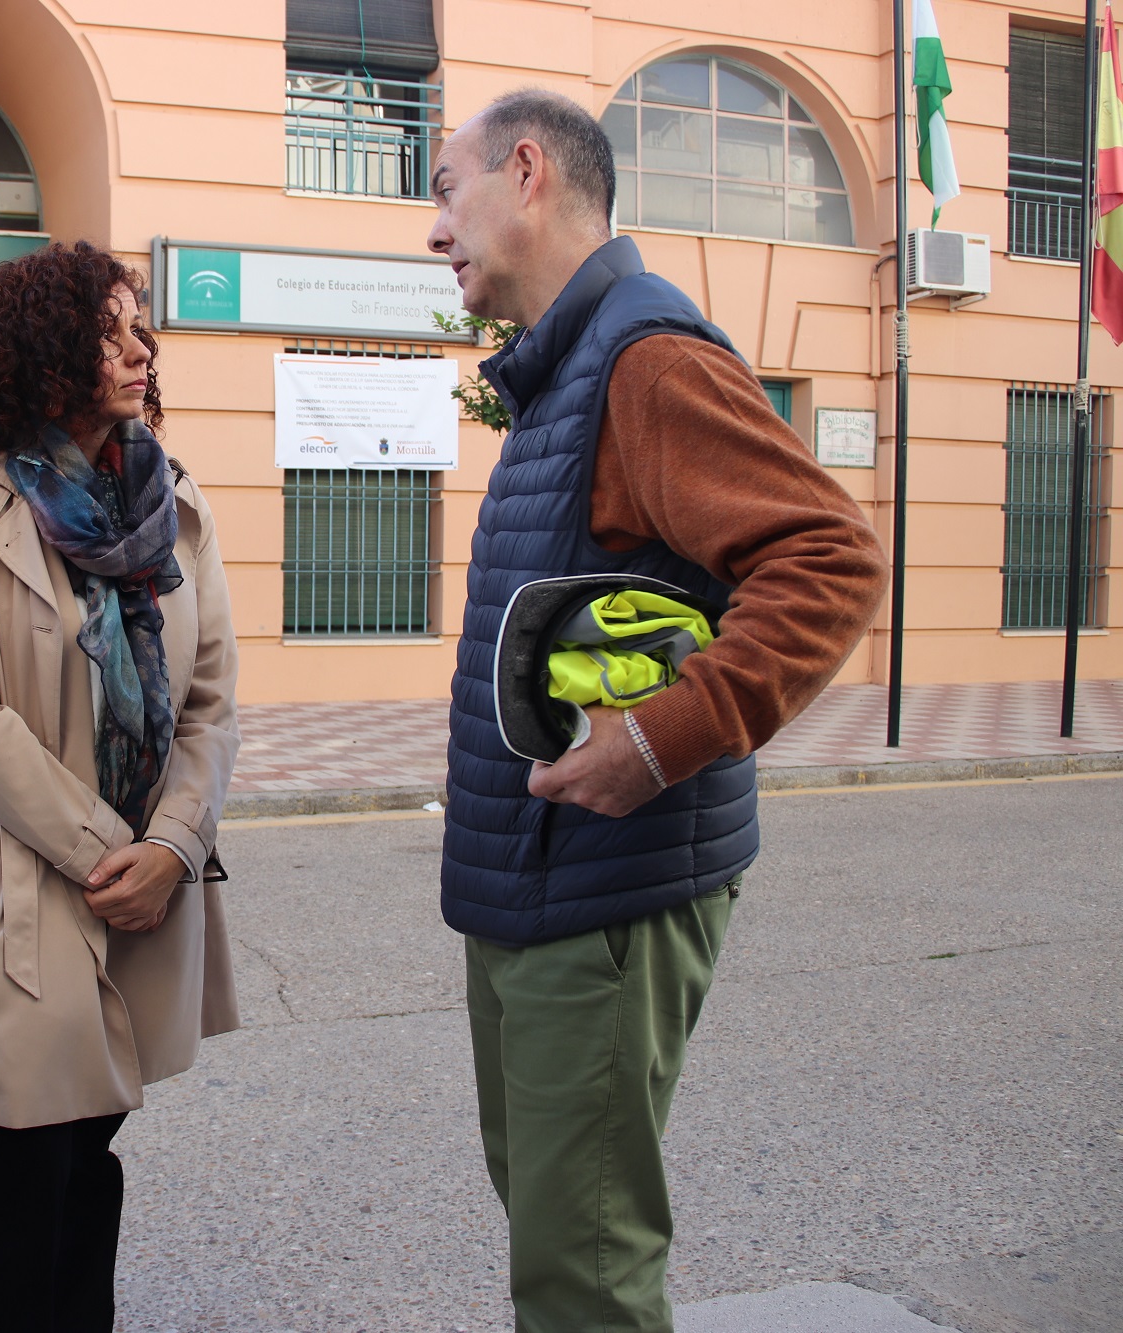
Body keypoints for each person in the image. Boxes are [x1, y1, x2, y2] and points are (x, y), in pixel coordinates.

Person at [425, 91, 888, 1332]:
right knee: (553, 1222)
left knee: (582, 1267)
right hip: (540, 880)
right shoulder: (568, 366)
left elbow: (828, 560)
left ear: (526, 173)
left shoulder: (644, 356)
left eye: (443, 188)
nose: (433, 230)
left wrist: (658, 737)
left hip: (605, 886)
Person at [0, 241, 241, 1332]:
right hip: (29, 882)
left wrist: (175, 846)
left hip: (142, 884)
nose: (142, 347)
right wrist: (115, 853)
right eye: (110, 329)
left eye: (142, 325)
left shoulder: (171, 501)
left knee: (89, 1169)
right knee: (15, 1186)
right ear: (46, 351)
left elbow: (207, 705)